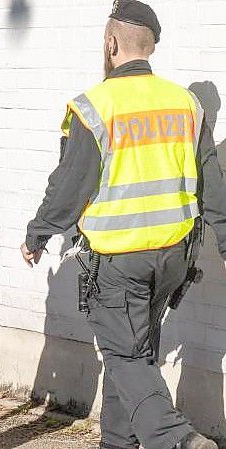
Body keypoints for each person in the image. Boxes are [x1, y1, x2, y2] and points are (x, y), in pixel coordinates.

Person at [21, 2, 226, 448]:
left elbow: (69, 185)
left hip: (119, 263)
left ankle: (175, 439)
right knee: (133, 357)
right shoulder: (186, 104)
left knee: (124, 356)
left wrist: (38, 232)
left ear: (112, 43)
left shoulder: (95, 106)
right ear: (150, 46)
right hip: (172, 260)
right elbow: (212, 183)